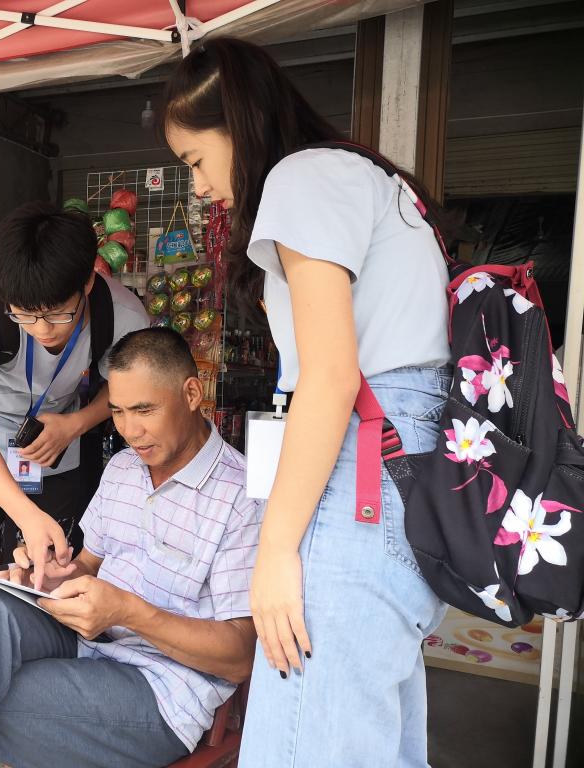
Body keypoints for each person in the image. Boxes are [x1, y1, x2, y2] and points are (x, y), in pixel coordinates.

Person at [160, 39, 453, 768]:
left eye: (195, 160)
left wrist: (274, 549)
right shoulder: (374, 180)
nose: (198, 185)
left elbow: (328, 377)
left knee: (305, 741)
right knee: (369, 739)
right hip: (401, 470)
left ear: (239, 125)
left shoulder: (303, 177)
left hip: (359, 470)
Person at [0, 328, 261, 768]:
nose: (130, 431)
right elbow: (88, 566)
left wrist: (127, 612)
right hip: (88, 641)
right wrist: (48, 576)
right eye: (117, 412)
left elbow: (240, 657)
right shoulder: (123, 468)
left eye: (144, 410)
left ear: (191, 394)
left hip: (160, 689)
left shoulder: (240, 498)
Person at [0, 201, 148, 586]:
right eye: (24, 314)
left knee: (49, 575)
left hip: (56, 443)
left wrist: (75, 425)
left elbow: (128, 391)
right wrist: (26, 516)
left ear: (87, 283)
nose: (42, 329)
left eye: (57, 314)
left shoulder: (124, 316)